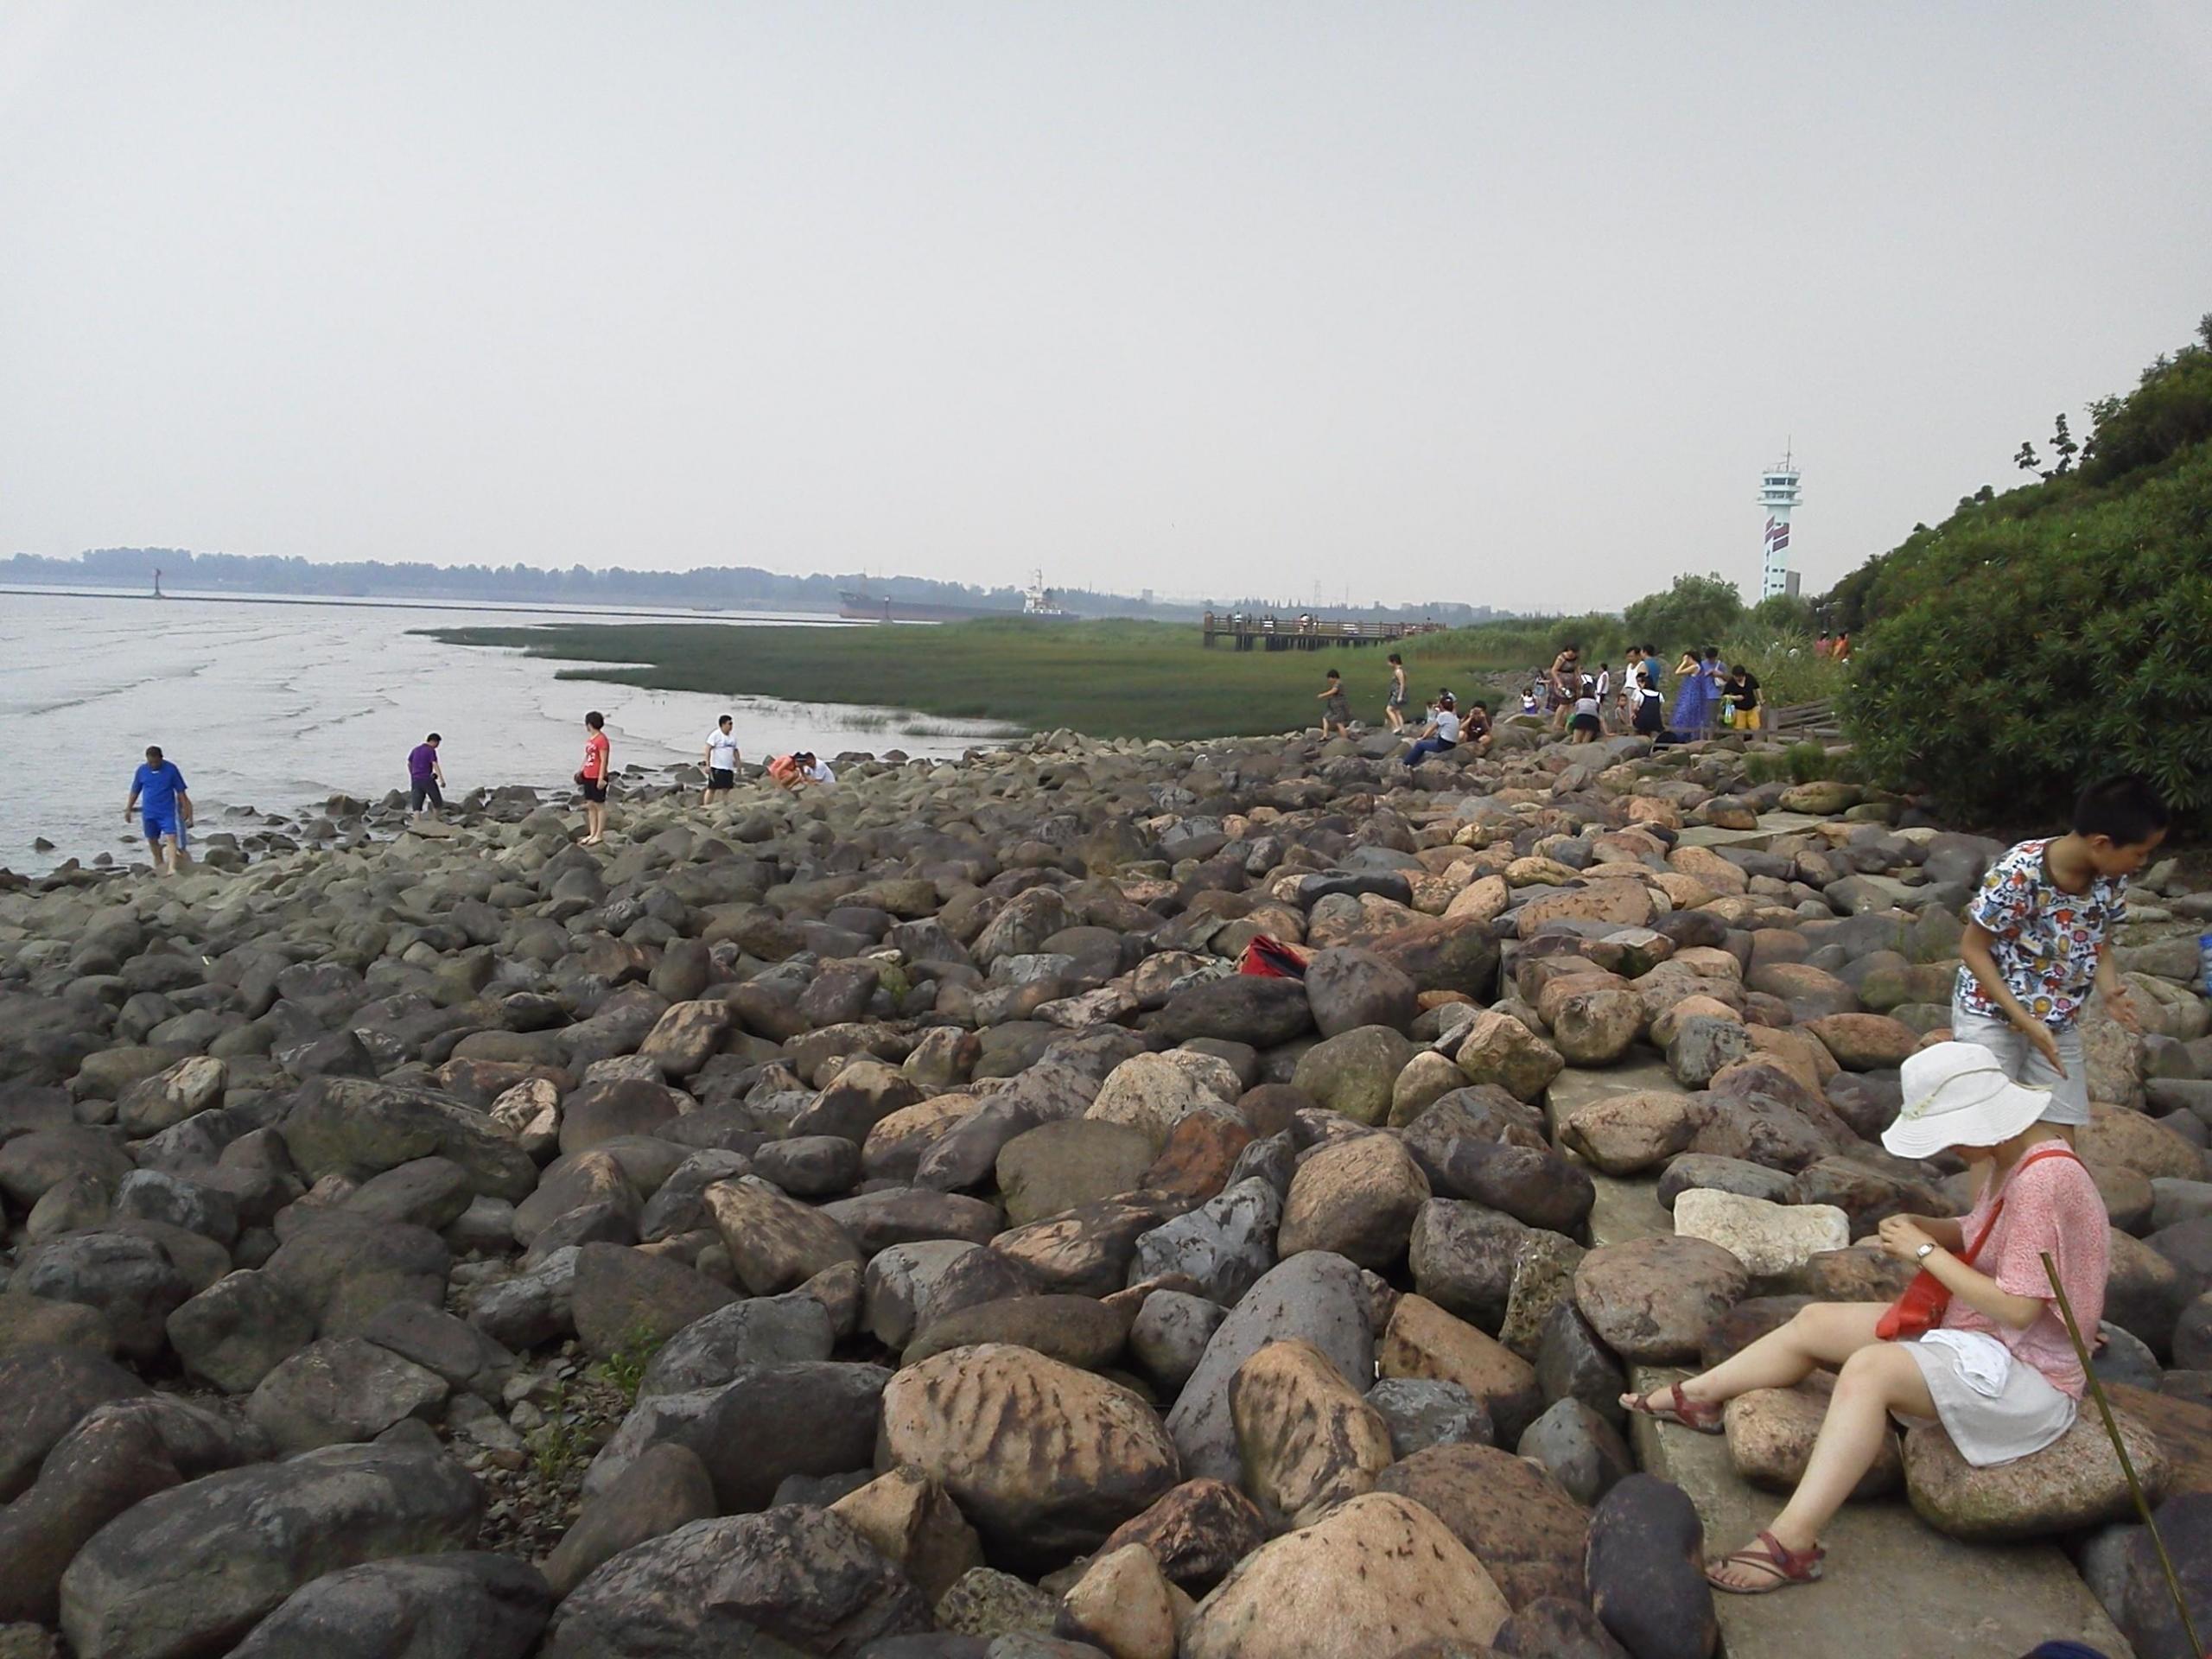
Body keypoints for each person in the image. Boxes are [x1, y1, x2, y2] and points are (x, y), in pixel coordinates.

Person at [1624, 1041, 2108, 1594]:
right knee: (1815, 1323)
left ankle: (1793, 1543)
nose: (1950, 1147)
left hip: (2027, 1372)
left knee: (1868, 1372)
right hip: (1980, 1334)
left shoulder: (2045, 1181)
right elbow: (1984, 1234)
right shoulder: (2016, 1156)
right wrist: (1923, 1225)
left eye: (1951, 1134)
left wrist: (1925, 1254)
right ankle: (1702, 1396)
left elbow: (2020, 1307)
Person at [1951, 775, 2167, 1141]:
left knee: (2059, 1140)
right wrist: (2025, 1022)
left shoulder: (2110, 877)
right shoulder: (2019, 873)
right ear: (2101, 843)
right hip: (1992, 1014)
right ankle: (1989, 1201)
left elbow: (2099, 940)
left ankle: (2050, 1197)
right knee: (1990, 1139)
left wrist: (2109, 989)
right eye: (2140, 853)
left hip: (2058, 1020)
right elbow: (1973, 949)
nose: (2142, 863)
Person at [124, 746, 192, 875]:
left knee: (171, 838)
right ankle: (160, 865)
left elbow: (181, 791)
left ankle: (172, 868)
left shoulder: (171, 769)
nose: (153, 765)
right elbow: (135, 791)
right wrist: (128, 809)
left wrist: (186, 809)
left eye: (156, 762)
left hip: (167, 811)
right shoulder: (142, 771)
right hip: (149, 812)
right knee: (152, 841)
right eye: (150, 762)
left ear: (161, 758)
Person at [576, 711, 611, 846]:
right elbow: (588, 756)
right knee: (590, 805)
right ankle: (592, 833)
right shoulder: (591, 739)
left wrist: (601, 778)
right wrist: (581, 770)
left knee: (599, 805)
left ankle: (599, 834)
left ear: (589, 724)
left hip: (598, 775)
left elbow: (604, 760)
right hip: (588, 774)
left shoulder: (602, 740)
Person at [1403, 693, 1461, 767]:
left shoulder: (1443, 715)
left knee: (1420, 745)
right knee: (1431, 741)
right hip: (1452, 744)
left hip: (1443, 744)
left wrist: (1422, 738)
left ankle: (1407, 763)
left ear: (1441, 706)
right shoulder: (1455, 718)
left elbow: (1432, 728)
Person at [701, 715, 740, 805]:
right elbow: (708, 749)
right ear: (723, 724)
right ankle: (706, 806)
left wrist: (738, 766)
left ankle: (725, 805)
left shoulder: (732, 738)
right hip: (717, 767)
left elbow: (736, 752)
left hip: (728, 768)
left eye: (732, 724)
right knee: (712, 788)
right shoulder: (715, 735)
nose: (731, 726)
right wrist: (707, 764)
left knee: (727, 789)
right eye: (729, 724)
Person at [406, 734, 446, 814]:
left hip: (416, 780)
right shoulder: (430, 750)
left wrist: (412, 774)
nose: (437, 746)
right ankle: (435, 821)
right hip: (427, 779)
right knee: (437, 802)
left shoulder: (415, 750)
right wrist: (442, 780)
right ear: (434, 741)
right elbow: (434, 764)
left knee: (417, 806)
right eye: (438, 743)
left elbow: (409, 763)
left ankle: (416, 823)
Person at [1725, 664, 1763, 732]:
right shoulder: (1731, 682)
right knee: (1739, 730)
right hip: (1739, 709)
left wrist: (1760, 701)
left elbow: (1757, 688)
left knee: (1756, 728)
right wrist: (1735, 697)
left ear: (1743, 675)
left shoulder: (1750, 678)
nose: (1737, 679)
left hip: (1752, 708)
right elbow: (1725, 695)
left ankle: (1757, 741)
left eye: (1739, 677)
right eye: (1735, 677)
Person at [1631, 661, 1665, 736]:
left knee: (1636, 721)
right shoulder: (1659, 694)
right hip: (1656, 721)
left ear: (1645, 683)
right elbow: (1660, 708)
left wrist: (1634, 714)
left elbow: (1634, 708)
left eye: (1641, 682)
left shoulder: (1641, 693)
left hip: (1642, 721)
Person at [1316, 669, 1351, 740]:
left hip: (1339, 707)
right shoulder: (1336, 684)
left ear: (1334, 677)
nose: (1329, 680)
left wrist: (1323, 695)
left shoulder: (1338, 683)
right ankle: (1325, 735)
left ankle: (1345, 739)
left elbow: (1334, 691)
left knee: (1339, 723)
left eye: (1330, 678)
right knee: (1325, 718)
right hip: (1333, 708)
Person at [1567, 680, 1603, 744]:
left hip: (1580, 719)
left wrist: (1568, 725)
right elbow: (1599, 716)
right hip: (1592, 721)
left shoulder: (1579, 701)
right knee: (1585, 742)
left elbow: (1574, 714)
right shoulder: (1596, 703)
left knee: (1575, 741)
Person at [1385, 653, 1409, 734]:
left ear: (1394, 662)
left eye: (1389, 662)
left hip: (1397, 692)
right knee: (1397, 711)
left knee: (1389, 709)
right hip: (1397, 692)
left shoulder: (1399, 671)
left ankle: (1397, 726)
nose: (1388, 664)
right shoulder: (1399, 670)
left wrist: (1400, 695)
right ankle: (1402, 729)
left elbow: (1402, 683)